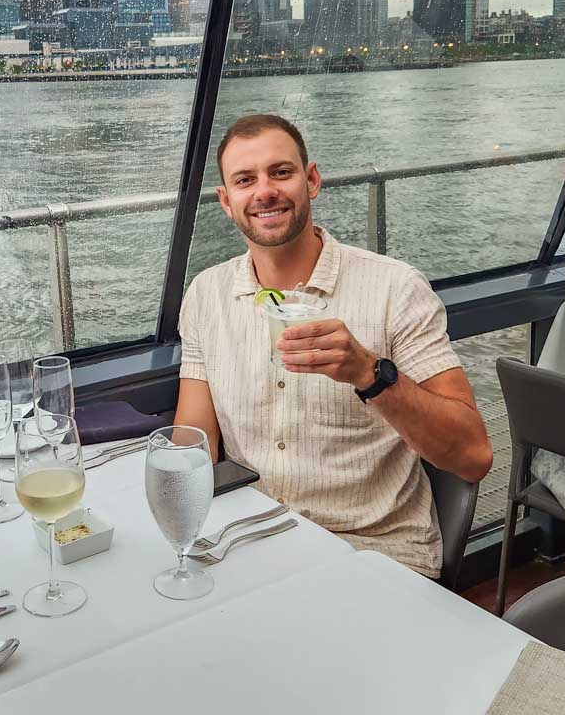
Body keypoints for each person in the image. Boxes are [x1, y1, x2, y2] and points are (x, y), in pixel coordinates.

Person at [173, 112, 493, 577]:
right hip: (248, 542)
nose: (264, 191)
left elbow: (474, 456)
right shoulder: (206, 295)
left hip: (372, 554)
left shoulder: (395, 289)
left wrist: (371, 374)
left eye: (281, 173)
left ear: (312, 180)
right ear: (226, 201)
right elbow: (192, 440)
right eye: (245, 180)